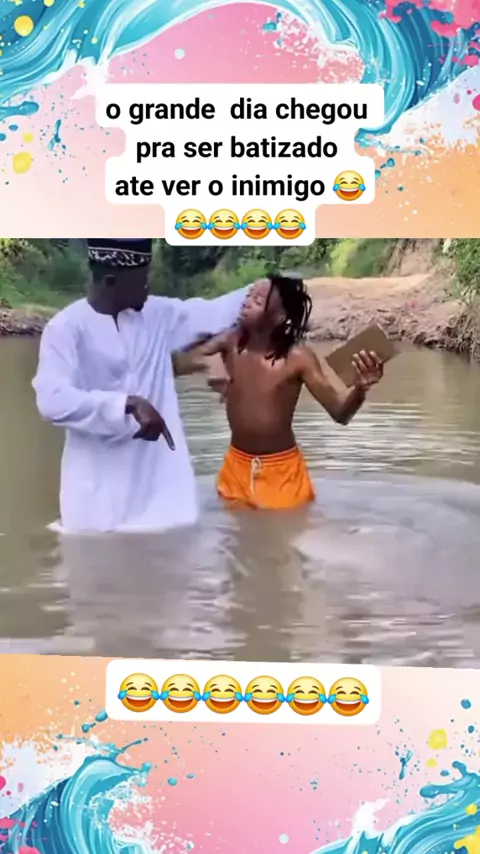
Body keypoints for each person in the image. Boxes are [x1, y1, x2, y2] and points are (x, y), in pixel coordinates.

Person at [32, 238, 250, 533]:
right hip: (95, 498)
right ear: (111, 281)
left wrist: (270, 287)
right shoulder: (66, 329)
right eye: (142, 280)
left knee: (174, 552)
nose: (148, 287)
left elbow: (214, 312)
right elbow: (52, 400)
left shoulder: (157, 315)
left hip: (158, 491)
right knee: (93, 558)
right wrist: (126, 403)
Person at [185, 274, 384, 510]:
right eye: (248, 295)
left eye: (258, 300)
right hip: (235, 468)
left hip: (282, 473)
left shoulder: (298, 358)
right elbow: (183, 359)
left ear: (279, 317)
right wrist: (210, 363)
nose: (246, 302)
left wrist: (360, 389)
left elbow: (340, 413)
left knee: (286, 531)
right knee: (233, 532)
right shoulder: (230, 341)